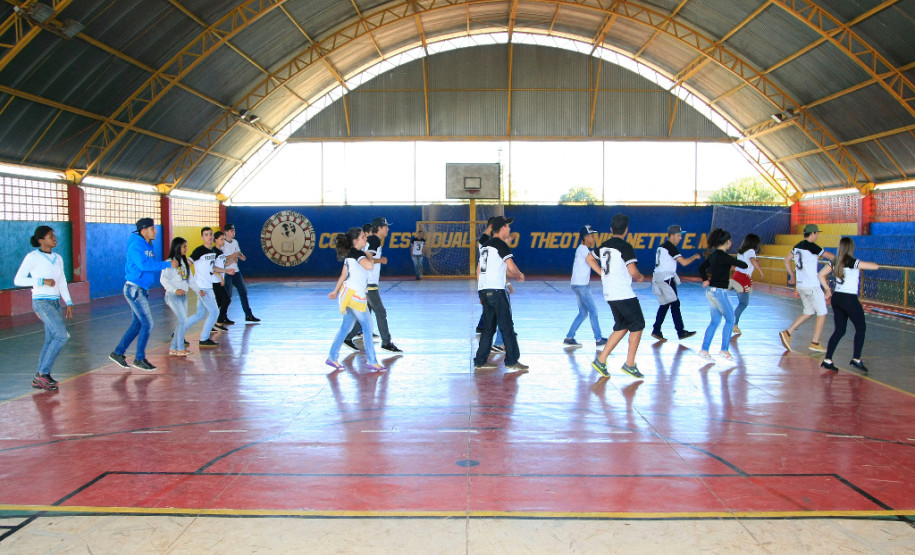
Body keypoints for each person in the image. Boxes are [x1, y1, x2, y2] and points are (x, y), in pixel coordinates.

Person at [109, 218, 178, 371]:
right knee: (147, 323)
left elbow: (147, 263)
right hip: (135, 289)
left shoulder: (148, 244)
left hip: (142, 288)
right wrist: (167, 264)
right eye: (153, 228)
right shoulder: (136, 244)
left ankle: (118, 352)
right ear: (144, 230)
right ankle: (139, 358)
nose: (156, 231)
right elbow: (143, 265)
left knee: (138, 323)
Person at [14, 225, 73, 390]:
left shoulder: (58, 258)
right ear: (41, 240)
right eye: (50, 236)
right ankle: (43, 374)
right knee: (61, 336)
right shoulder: (33, 257)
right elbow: (18, 280)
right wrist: (41, 281)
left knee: (50, 340)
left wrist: (68, 302)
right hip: (41, 302)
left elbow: (62, 282)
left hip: (55, 303)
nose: (55, 239)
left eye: (54, 235)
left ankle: (38, 377)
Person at [587, 213, 646, 379]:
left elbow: (589, 259)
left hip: (610, 293)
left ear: (611, 229)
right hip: (623, 293)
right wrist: (640, 276)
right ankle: (630, 364)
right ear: (626, 230)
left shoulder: (604, 245)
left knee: (622, 326)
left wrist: (602, 274)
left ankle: (601, 360)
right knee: (638, 324)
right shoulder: (625, 246)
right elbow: (632, 270)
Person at [474, 216, 528, 371]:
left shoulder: (485, 246)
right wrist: (519, 274)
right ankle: (512, 361)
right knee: (507, 326)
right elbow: (511, 267)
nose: (509, 229)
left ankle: (480, 361)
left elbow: (480, 270)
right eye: (507, 226)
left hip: (484, 290)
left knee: (488, 328)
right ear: (502, 228)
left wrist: (480, 292)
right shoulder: (500, 244)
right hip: (497, 291)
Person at [327, 227, 384, 372]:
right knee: (367, 326)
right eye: (363, 237)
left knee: (345, 328)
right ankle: (372, 360)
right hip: (355, 296)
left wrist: (335, 291)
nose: (366, 239)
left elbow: (343, 275)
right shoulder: (358, 254)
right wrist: (369, 254)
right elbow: (369, 266)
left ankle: (332, 357)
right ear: (356, 240)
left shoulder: (350, 254)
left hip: (347, 293)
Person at [818, 237, 879, 372]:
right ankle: (856, 358)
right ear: (851, 248)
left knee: (839, 330)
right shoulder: (852, 261)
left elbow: (821, 274)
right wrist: (870, 264)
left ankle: (828, 359)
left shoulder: (834, 261)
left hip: (837, 298)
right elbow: (875, 266)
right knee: (861, 327)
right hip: (849, 299)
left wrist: (827, 289)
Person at [345, 217, 402, 353]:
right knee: (381, 312)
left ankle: (348, 337)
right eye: (386, 227)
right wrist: (381, 260)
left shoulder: (373, 240)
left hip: (367, 283)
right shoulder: (374, 240)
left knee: (365, 314)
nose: (388, 229)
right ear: (380, 228)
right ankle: (386, 342)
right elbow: (367, 256)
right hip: (369, 284)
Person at [779, 224, 836, 351]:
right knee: (822, 312)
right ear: (813, 234)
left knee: (809, 311)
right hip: (812, 285)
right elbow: (831, 257)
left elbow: (786, 259)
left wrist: (792, 275)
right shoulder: (813, 246)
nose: (818, 235)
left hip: (801, 285)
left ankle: (788, 332)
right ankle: (815, 342)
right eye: (817, 233)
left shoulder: (798, 246)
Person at [697, 228, 748, 362]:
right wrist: (737, 261)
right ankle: (724, 350)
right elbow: (743, 264)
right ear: (727, 242)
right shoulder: (724, 256)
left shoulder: (713, 255)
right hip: (719, 292)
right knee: (730, 320)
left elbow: (701, 268)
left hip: (711, 291)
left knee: (715, 322)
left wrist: (705, 280)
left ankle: (704, 350)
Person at [650, 224, 700, 342]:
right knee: (675, 304)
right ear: (672, 236)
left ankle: (657, 329)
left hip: (659, 278)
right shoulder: (670, 247)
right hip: (666, 279)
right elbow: (684, 262)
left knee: (666, 305)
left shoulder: (661, 246)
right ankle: (680, 331)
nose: (680, 238)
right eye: (678, 236)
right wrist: (694, 257)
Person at [186, 227, 230, 348]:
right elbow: (187, 263)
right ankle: (204, 339)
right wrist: (190, 282)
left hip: (208, 286)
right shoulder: (199, 251)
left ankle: (178, 332)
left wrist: (224, 272)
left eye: (210, 234)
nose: (209, 236)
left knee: (200, 314)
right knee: (214, 311)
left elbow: (212, 268)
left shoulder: (213, 252)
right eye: (206, 235)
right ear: (202, 237)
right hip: (202, 288)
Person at [564, 224, 607, 347]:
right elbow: (592, 260)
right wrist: (602, 274)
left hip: (577, 284)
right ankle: (598, 339)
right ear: (586, 237)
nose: (594, 238)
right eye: (592, 236)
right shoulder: (583, 250)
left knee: (583, 313)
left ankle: (569, 337)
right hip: (582, 285)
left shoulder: (582, 250)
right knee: (593, 310)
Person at [220, 223, 260, 323]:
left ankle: (248, 315)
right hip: (227, 272)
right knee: (227, 296)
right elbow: (222, 259)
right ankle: (222, 316)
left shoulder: (235, 242)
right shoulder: (222, 244)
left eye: (234, 231)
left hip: (236, 272)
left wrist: (240, 256)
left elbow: (238, 252)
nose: (234, 233)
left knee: (243, 292)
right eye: (231, 231)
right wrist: (232, 256)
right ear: (226, 232)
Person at [730, 233, 763, 335]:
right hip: (743, 278)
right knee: (743, 303)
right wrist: (760, 270)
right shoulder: (751, 251)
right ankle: (733, 324)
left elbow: (748, 262)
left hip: (737, 276)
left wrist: (754, 263)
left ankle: (734, 324)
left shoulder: (742, 252)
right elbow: (752, 260)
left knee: (742, 302)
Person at [213, 231, 232, 330]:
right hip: (215, 281)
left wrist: (229, 268)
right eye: (221, 239)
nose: (223, 241)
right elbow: (212, 268)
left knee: (219, 302)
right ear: (215, 240)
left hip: (220, 280)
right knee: (226, 299)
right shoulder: (214, 252)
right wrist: (220, 277)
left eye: (224, 239)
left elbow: (222, 265)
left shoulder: (221, 252)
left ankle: (213, 323)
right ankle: (219, 322)